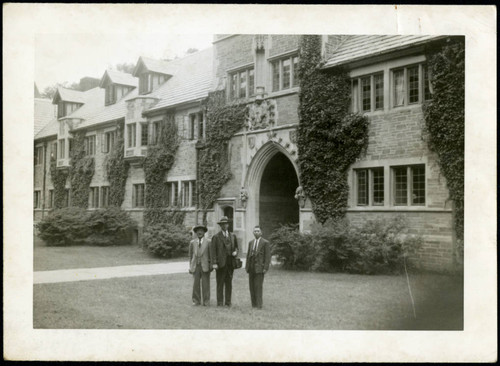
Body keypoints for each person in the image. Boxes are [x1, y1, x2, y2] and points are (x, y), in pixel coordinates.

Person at [211, 216, 238, 307]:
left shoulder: (233, 236)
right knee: (220, 283)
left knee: (229, 283)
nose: (224, 226)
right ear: (220, 226)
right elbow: (213, 251)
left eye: (226, 224)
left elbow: (237, 248)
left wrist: (235, 252)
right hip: (220, 264)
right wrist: (214, 263)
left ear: (228, 225)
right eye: (222, 224)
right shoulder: (216, 237)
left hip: (230, 263)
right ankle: (219, 302)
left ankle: (228, 302)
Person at [245, 225, 271, 309]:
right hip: (251, 268)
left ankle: (259, 305)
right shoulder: (251, 242)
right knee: (251, 286)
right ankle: (254, 304)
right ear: (253, 232)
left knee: (258, 286)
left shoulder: (265, 243)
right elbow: (248, 255)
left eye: (258, 231)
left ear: (261, 232)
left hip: (259, 268)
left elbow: (267, 256)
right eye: (255, 231)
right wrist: (247, 267)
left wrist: (265, 268)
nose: (256, 232)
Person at [188, 225, 212, 306]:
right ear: (196, 233)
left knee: (206, 284)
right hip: (196, 266)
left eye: (201, 231)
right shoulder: (192, 243)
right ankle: (196, 301)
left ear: (204, 232)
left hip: (205, 266)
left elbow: (211, 256)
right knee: (196, 284)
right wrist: (191, 267)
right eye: (198, 231)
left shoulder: (209, 242)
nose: (200, 232)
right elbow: (190, 256)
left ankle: (206, 301)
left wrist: (211, 266)